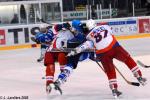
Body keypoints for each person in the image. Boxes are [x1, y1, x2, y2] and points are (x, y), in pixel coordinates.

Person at [55, 19, 147, 98]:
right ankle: (139, 76)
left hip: (87, 51)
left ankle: (114, 89)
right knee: (127, 59)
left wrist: (74, 49)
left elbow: (83, 44)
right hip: (108, 48)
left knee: (110, 70)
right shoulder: (100, 28)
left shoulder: (86, 35)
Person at [53, 20, 94, 94]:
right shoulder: (80, 27)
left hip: (76, 50)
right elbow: (56, 28)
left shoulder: (85, 32)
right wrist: (64, 26)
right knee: (71, 64)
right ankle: (60, 79)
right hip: (76, 50)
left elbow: (80, 37)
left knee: (70, 65)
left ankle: (61, 78)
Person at [44, 22, 75, 94]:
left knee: (61, 57)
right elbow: (55, 27)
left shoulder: (73, 33)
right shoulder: (59, 30)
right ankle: (49, 82)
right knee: (50, 64)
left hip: (58, 50)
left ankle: (61, 75)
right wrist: (62, 25)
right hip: (52, 50)